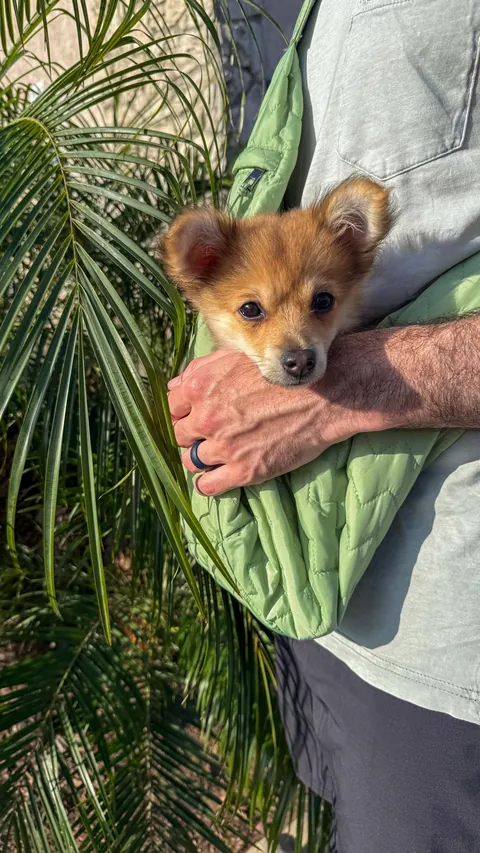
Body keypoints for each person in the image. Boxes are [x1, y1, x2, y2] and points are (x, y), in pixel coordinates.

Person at [168, 1, 480, 850]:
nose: (293, 342)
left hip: (449, 639)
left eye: (312, 308)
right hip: (333, 607)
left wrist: (357, 378)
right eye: (259, 313)